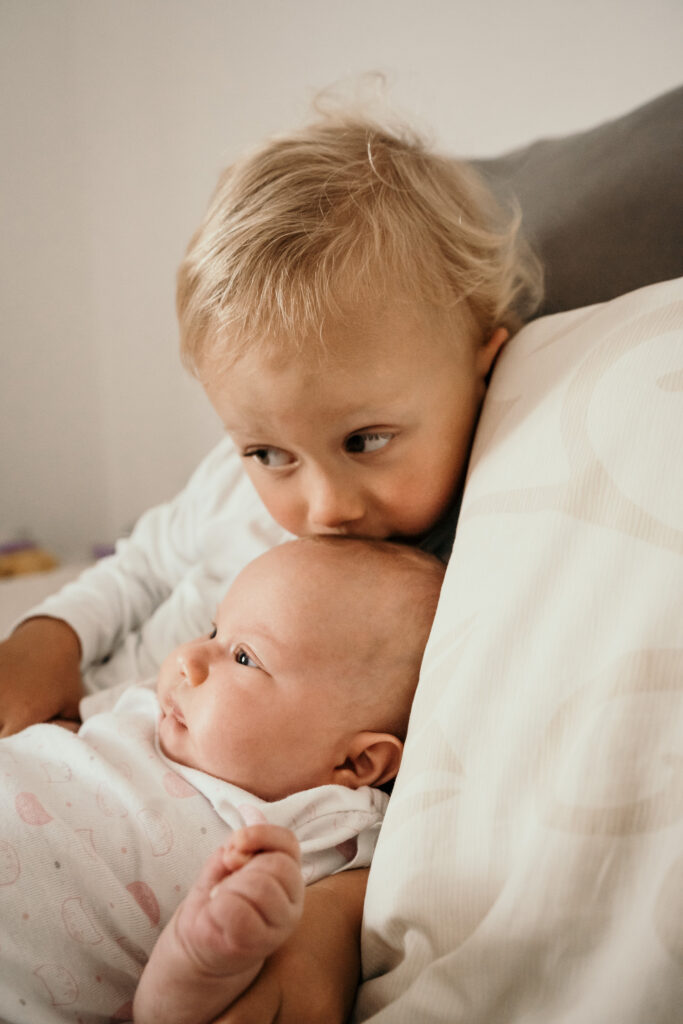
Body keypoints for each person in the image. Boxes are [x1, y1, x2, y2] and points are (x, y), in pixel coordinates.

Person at [0, 111, 541, 1021]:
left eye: (365, 439)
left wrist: (331, 915)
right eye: (267, 453)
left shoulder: (459, 573)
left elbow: (406, 815)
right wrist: (49, 633)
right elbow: (139, 566)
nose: (321, 506)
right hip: (82, 738)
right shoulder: (230, 483)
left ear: (481, 360)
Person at [0, 537, 444, 1024]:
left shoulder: (325, 825)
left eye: (245, 658)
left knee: (209, 956)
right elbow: (68, 735)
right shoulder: (155, 703)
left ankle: (192, 967)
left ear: (355, 765)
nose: (190, 658)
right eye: (212, 629)